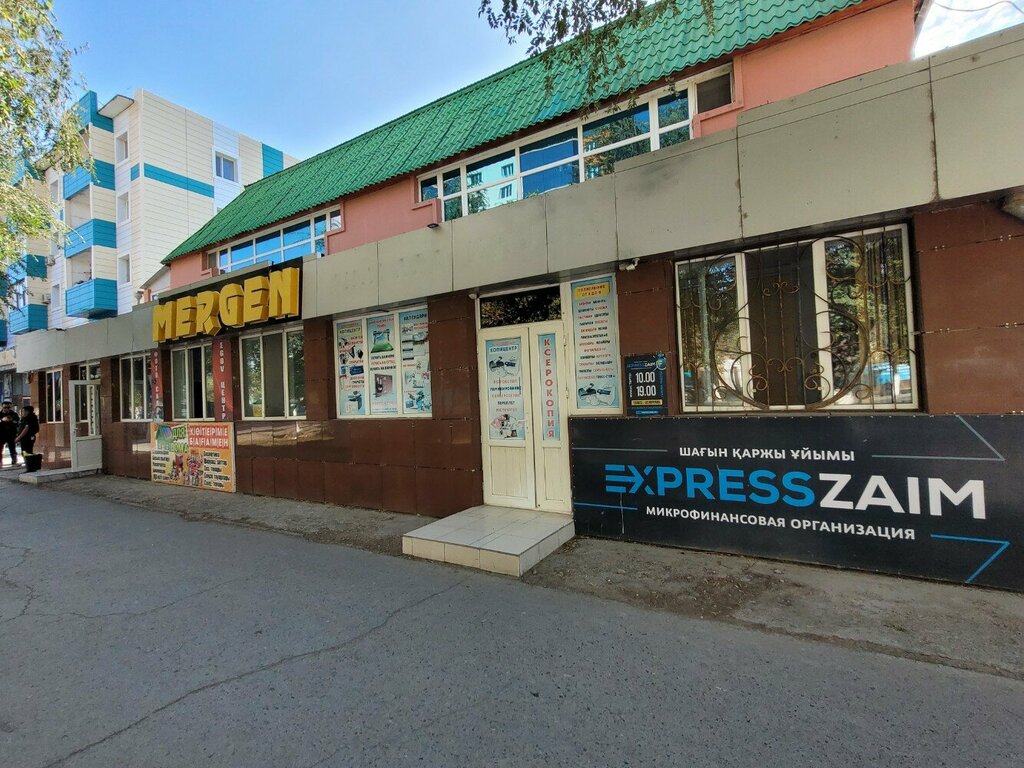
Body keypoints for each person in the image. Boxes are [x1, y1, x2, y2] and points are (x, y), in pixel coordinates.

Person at [0, 400, 20, 465]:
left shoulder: (14, 414)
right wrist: (2, 420)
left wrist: (12, 420)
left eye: (8, 407)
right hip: (1, 434)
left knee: (12, 448)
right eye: (5, 407)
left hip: (11, 434)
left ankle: (14, 461)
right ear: (2, 407)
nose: (6, 409)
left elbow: (17, 422)